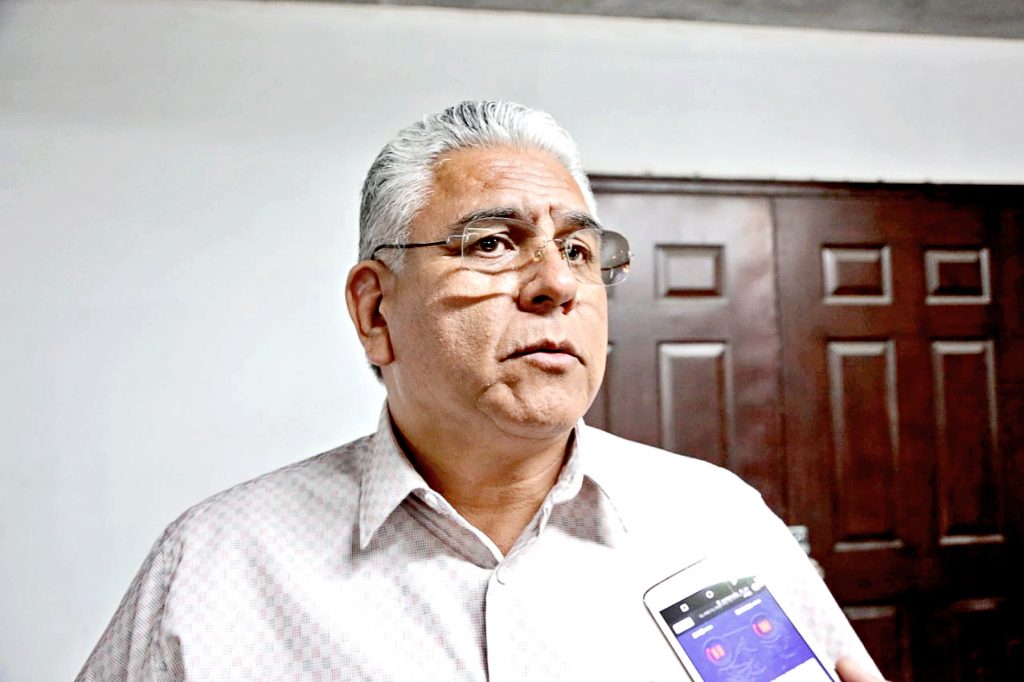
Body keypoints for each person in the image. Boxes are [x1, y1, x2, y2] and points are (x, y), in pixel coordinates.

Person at [78, 100, 885, 681]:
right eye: (493, 243)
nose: (555, 284)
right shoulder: (215, 568)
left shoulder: (718, 518)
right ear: (375, 310)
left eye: (579, 251)